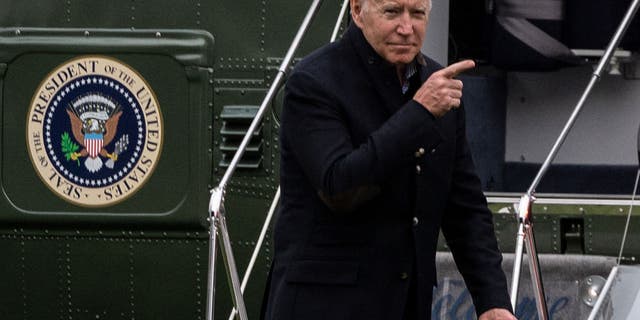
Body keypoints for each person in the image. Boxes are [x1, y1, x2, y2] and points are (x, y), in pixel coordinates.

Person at [262, 0, 516, 319]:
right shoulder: (313, 82)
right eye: (392, 12)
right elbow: (339, 187)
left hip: (406, 305)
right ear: (357, 11)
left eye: (418, 14)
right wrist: (419, 113)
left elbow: (464, 208)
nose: (406, 28)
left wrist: (492, 301)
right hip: (323, 306)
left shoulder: (438, 85)